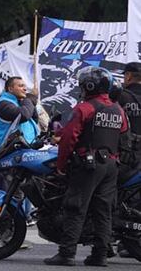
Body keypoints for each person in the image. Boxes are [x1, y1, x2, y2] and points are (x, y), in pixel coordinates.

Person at [44, 68, 128, 267]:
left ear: (90, 86)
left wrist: (61, 165)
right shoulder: (118, 110)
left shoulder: (85, 108)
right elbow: (124, 136)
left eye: (83, 85)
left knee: (76, 207)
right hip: (111, 165)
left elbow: (69, 139)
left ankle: (66, 253)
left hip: (88, 165)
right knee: (103, 211)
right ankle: (99, 255)